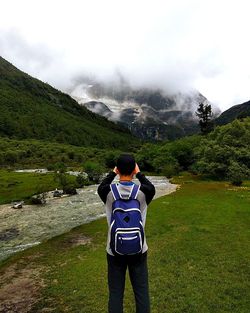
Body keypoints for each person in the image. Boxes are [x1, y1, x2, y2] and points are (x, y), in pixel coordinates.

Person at [97, 154, 155, 313]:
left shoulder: (107, 192)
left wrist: (113, 173)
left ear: (117, 169)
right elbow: (150, 186)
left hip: (114, 250)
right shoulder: (144, 192)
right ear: (134, 169)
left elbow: (102, 185)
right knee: (142, 292)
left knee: (116, 293)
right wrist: (139, 174)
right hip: (139, 249)